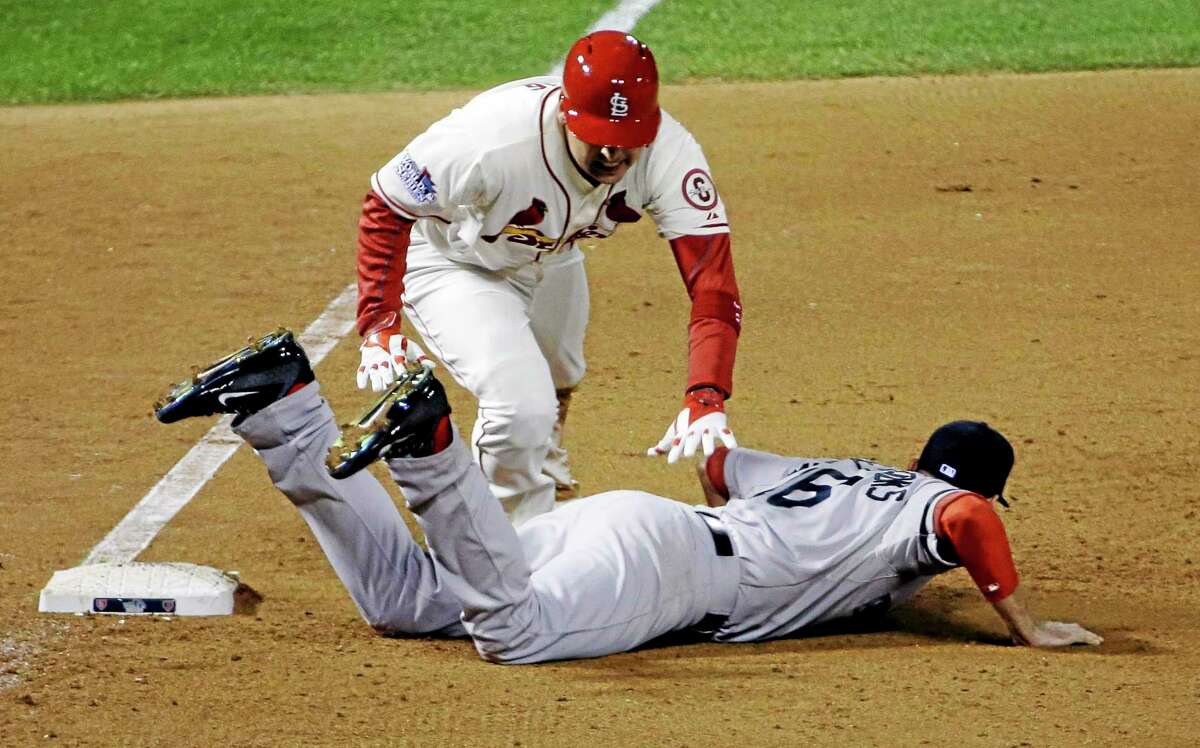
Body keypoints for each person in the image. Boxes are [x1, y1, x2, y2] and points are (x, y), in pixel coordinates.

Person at [155, 330, 1102, 664]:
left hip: (623, 524)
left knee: (408, 605)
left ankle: (284, 404)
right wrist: (1020, 621)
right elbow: (967, 520)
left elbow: (723, 466)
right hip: (669, 573)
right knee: (511, 636)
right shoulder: (924, 519)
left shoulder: (844, 474)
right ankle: (432, 448)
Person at [354, 30, 742, 525]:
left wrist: (706, 393)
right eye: (598, 138)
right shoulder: (489, 140)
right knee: (521, 410)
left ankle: (538, 460)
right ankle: (508, 547)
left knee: (560, 374)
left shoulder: (671, 153)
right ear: (565, 113)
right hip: (455, 264)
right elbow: (386, 205)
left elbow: (713, 285)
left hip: (549, 255)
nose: (612, 156)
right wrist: (379, 323)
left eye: (627, 143)